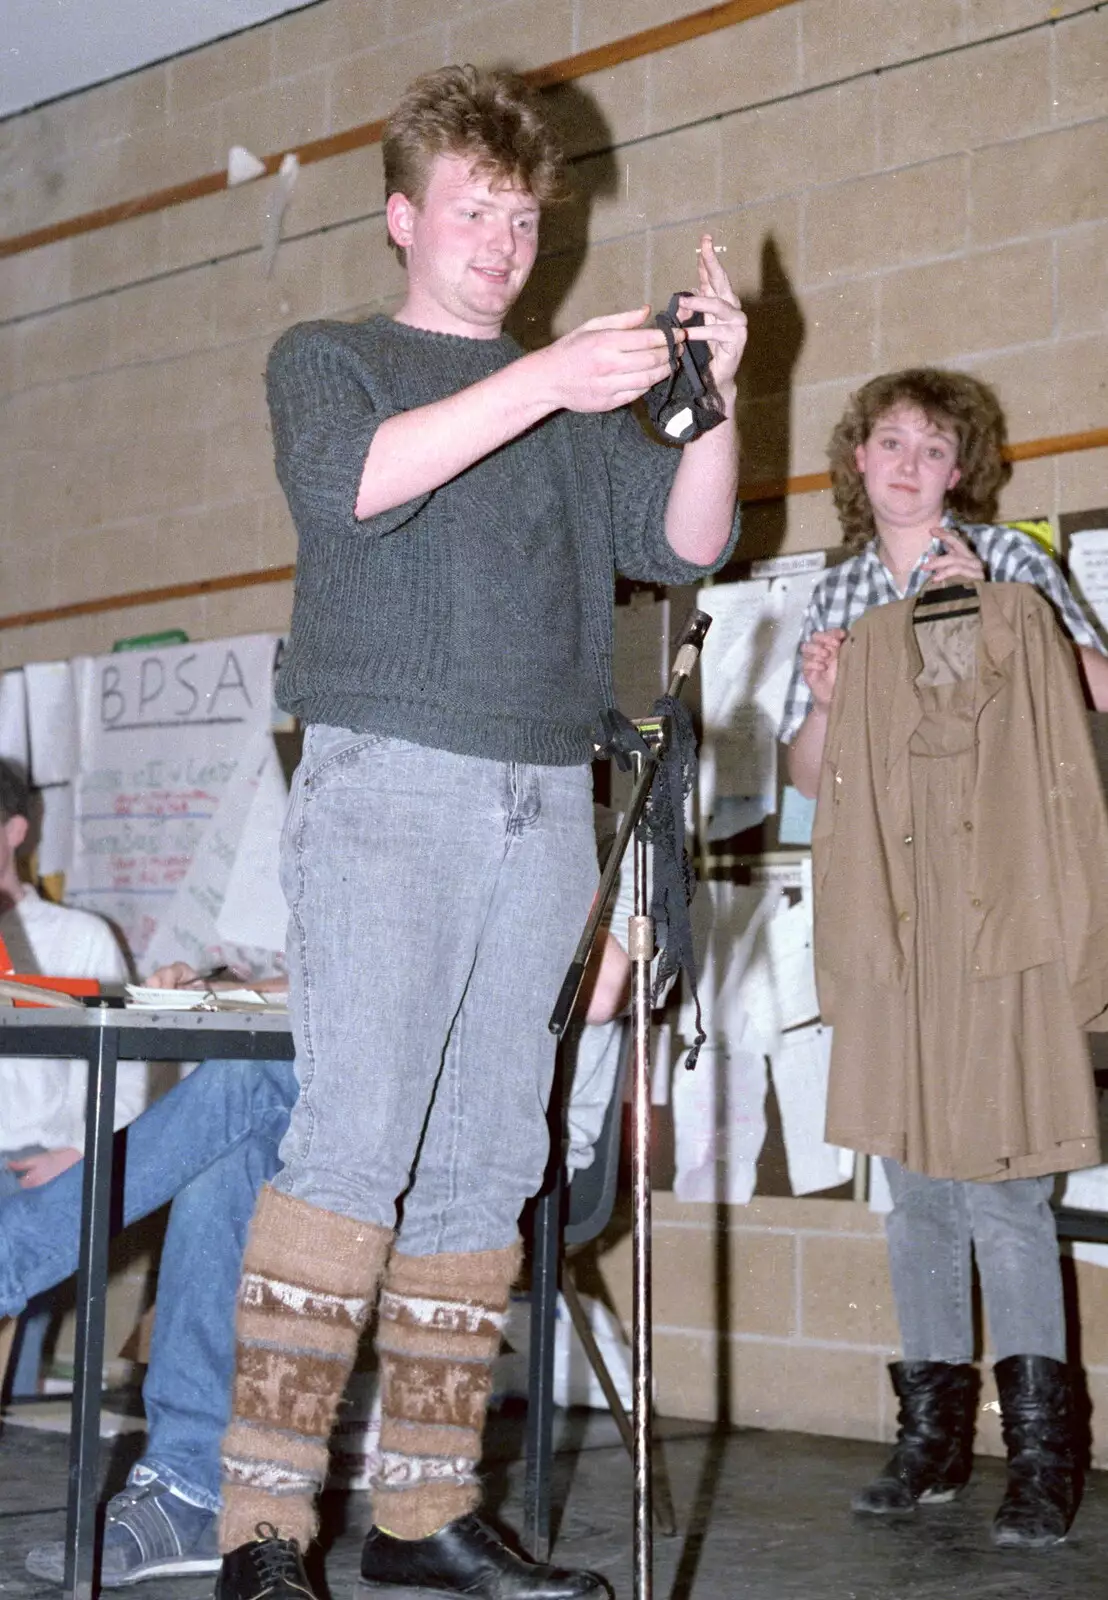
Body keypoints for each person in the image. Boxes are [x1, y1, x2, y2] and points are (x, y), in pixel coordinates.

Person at [214, 63, 746, 1600]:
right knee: (354, 1144)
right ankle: (261, 1534)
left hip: (545, 796)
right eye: (475, 208)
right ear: (404, 219)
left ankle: (421, 1514)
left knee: (481, 1163)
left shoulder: (575, 416)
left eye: (525, 213)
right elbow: (351, 491)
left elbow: (691, 538)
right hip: (392, 783)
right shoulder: (334, 359)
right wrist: (550, 378)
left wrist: (719, 390)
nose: (505, 237)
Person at [780, 366, 1108, 1550]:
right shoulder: (834, 591)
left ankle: (1041, 1459)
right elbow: (810, 780)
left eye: (933, 445)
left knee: (1007, 1188)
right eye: (889, 442)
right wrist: (822, 700)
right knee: (915, 1189)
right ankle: (928, 1443)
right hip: (899, 927)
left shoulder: (1015, 562)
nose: (910, 462)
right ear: (857, 460)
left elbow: (1097, 700)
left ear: (958, 467)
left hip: (996, 912)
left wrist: (1007, 634)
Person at [0, 758, 136, 1395]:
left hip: (29, 1166)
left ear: (16, 830)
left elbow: (125, 1079)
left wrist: (81, 1154)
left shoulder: (81, 939)